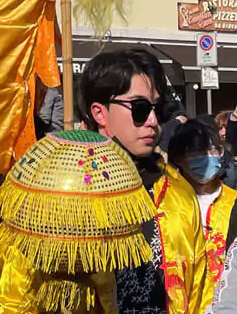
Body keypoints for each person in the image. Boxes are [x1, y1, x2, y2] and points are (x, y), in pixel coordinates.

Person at [78, 49, 210, 313]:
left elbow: (199, 292)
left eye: (156, 109)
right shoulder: (67, 190)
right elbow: (17, 296)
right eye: (139, 109)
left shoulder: (177, 190)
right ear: (100, 113)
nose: (152, 122)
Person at [169, 120, 237, 292]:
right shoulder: (166, 206)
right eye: (197, 152)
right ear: (178, 159)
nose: (208, 156)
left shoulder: (233, 202)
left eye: (214, 150)